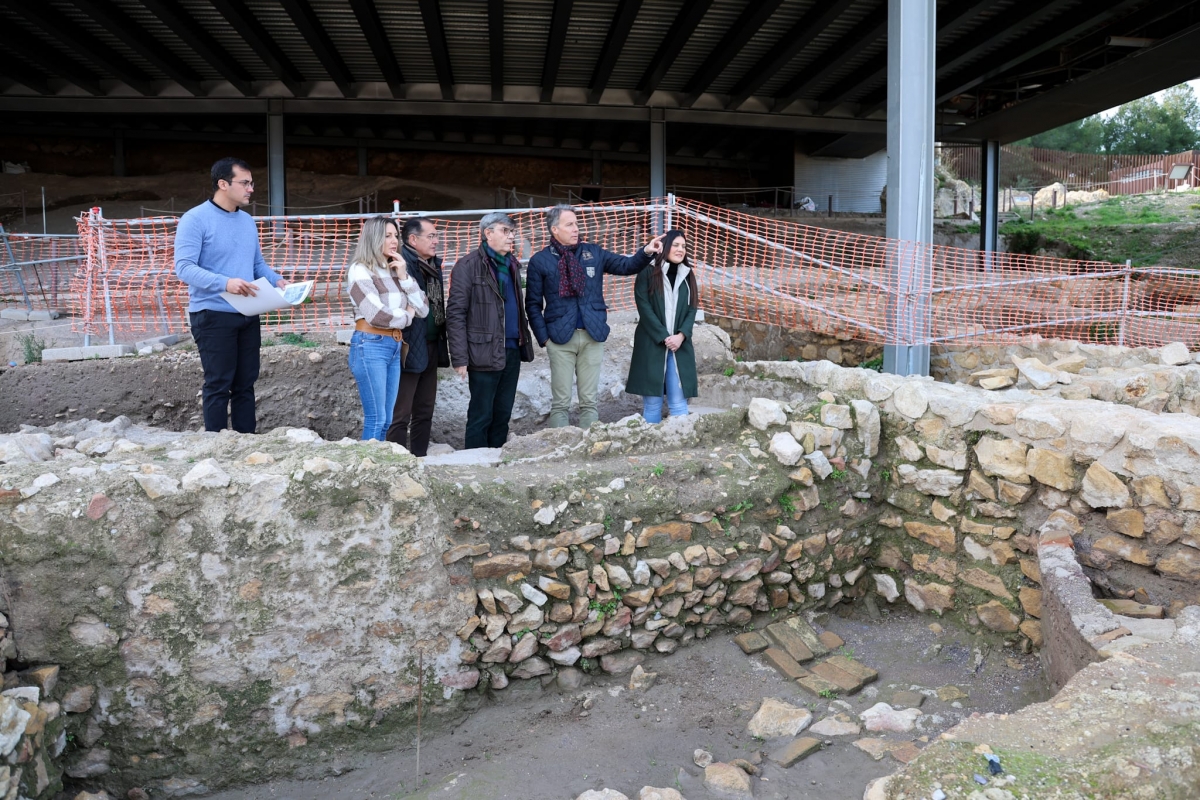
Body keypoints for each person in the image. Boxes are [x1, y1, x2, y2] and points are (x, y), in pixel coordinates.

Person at [175, 156, 288, 434]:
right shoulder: (195, 219)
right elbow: (184, 268)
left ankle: (245, 441)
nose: (251, 189)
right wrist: (225, 283)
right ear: (223, 184)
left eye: (252, 183)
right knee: (218, 384)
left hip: (248, 312)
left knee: (245, 384)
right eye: (245, 183)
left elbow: (257, 264)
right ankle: (215, 444)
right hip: (212, 314)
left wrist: (277, 280)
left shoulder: (247, 221)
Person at [525, 204, 664, 429]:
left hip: (593, 335)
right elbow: (532, 305)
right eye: (569, 225)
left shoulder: (594, 252)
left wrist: (646, 251)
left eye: (576, 224)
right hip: (559, 339)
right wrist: (545, 339)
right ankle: (560, 447)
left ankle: (590, 445)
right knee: (560, 404)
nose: (576, 229)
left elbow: (626, 265)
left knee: (589, 403)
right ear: (554, 230)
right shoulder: (540, 261)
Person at [446, 212, 534, 449]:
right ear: (488, 233)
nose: (511, 236)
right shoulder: (467, 266)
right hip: (483, 351)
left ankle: (496, 459)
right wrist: (459, 358)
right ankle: (474, 461)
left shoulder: (511, 264)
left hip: (512, 348)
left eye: (512, 232)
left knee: (503, 414)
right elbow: (456, 314)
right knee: (481, 415)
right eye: (505, 231)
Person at [345, 216, 429, 442]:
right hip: (370, 344)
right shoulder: (359, 270)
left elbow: (423, 308)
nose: (394, 241)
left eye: (395, 235)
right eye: (387, 236)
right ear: (373, 238)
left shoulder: (395, 268)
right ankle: (367, 463)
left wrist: (404, 277)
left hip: (394, 344)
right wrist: (407, 316)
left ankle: (377, 460)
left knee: (388, 419)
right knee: (376, 418)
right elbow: (377, 315)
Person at [385, 217, 448, 456]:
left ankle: (420, 458)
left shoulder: (432, 265)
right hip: (409, 345)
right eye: (431, 236)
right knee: (400, 411)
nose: (436, 241)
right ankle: (398, 461)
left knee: (425, 409)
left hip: (432, 344)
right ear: (413, 239)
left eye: (436, 236)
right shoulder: (401, 265)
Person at [625, 230, 699, 423]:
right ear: (664, 247)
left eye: (683, 246)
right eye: (675, 245)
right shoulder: (647, 272)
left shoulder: (688, 274)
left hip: (679, 346)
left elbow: (692, 309)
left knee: (679, 404)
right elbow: (644, 307)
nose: (680, 249)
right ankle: (650, 441)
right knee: (652, 405)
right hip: (652, 344)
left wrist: (681, 336)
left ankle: (681, 441)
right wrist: (664, 336)